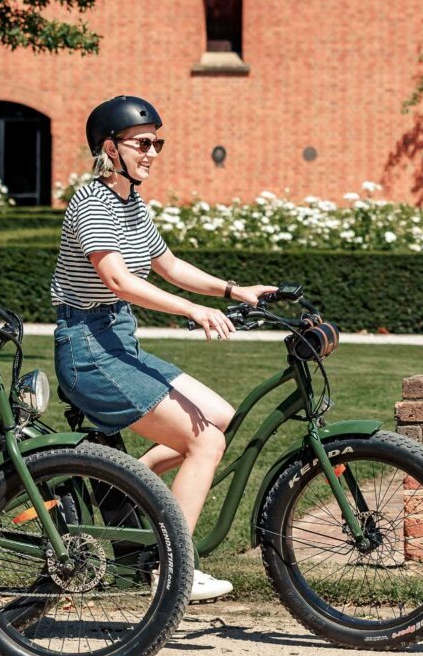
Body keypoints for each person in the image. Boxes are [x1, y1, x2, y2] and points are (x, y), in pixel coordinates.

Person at [53, 96, 274, 603]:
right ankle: (175, 567)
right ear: (110, 148)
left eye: (158, 143)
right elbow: (118, 279)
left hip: (117, 340)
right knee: (204, 443)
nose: (153, 152)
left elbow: (168, 265)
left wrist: (231, 290)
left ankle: (125, 483)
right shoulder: (91, 202)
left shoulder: (132, 204)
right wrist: (191, 312)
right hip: (87, 350)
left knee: (219, 415)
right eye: (143, 143)